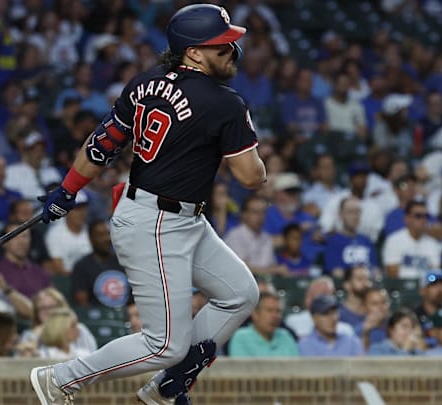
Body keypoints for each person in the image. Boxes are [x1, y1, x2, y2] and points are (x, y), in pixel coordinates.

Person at [30, 5, 266, 405]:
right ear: (193, 52)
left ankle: (166, 387)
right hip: (156, 223)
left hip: (178, 216)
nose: (233, 52)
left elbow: (101, 145)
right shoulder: (224, 102)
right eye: (222, 46)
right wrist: (244, 129)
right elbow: (251, 176)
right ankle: (61, 378)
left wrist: (68, 189)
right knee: (166, 344)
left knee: (241, 293)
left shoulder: (146, 82)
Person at [228, 291, 299, 357]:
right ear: (255, 314)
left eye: (278, 311)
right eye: (269, 310)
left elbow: (297, 368)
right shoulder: (241, 337)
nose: (275, 316)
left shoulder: (286, 336)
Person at [297, 295, 364, 357]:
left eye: (334, 313)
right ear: (314, 318)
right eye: (325, 314)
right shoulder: (306, 344)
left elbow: (361, 367)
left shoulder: (352, 342)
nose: (333, 318)